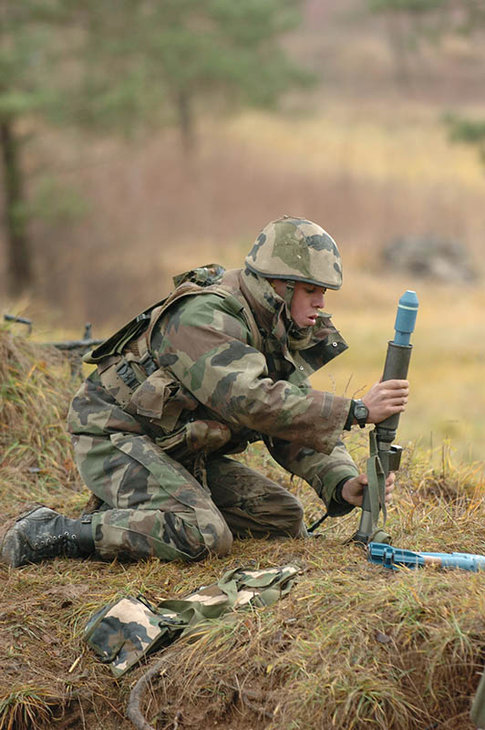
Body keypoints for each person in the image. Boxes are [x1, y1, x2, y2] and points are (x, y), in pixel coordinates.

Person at [1, 216, 409, 567]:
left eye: (325, 293)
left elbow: (290, 418)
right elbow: (252, 402)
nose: (321, 303)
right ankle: (56, 532)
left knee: (281, 517)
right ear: (280, 285)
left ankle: (148, 509)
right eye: (312, 290)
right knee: (204, 534)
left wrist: (341, 482)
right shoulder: (205, 316)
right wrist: (356, 411)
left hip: (176, 446)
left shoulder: (277, 325)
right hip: (116, 435)